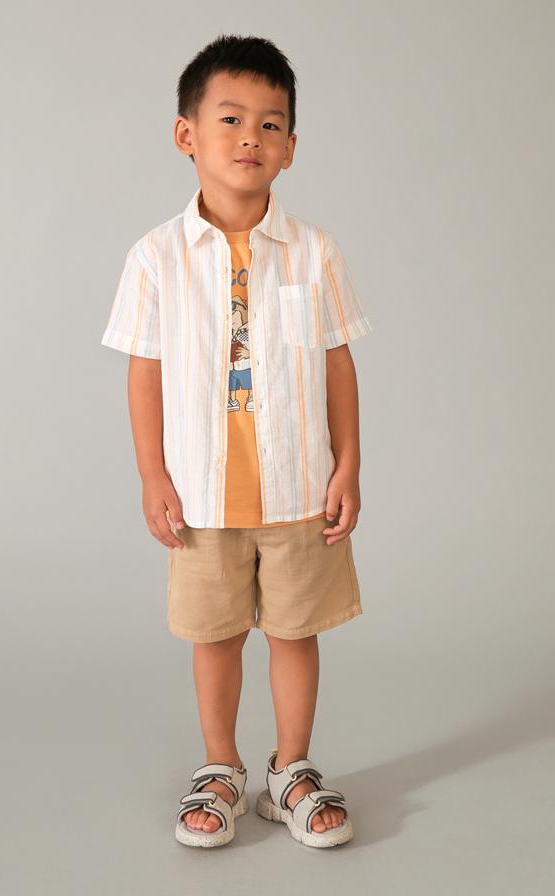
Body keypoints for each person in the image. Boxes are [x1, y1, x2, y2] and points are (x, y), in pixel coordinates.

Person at [101, 34, 373, 849]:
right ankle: (220, 768)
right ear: (187, 134)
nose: (251, 136)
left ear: (290, 148)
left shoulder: (315, 250)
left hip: (297, 487)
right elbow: (144, 371)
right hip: (203, 492)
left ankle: (292, 770)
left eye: (270, 124)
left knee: (295, 632)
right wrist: (152, 476)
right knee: (214, 635)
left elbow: (337, 362)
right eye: (231, 119)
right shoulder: (156, 258)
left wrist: (349, 465)